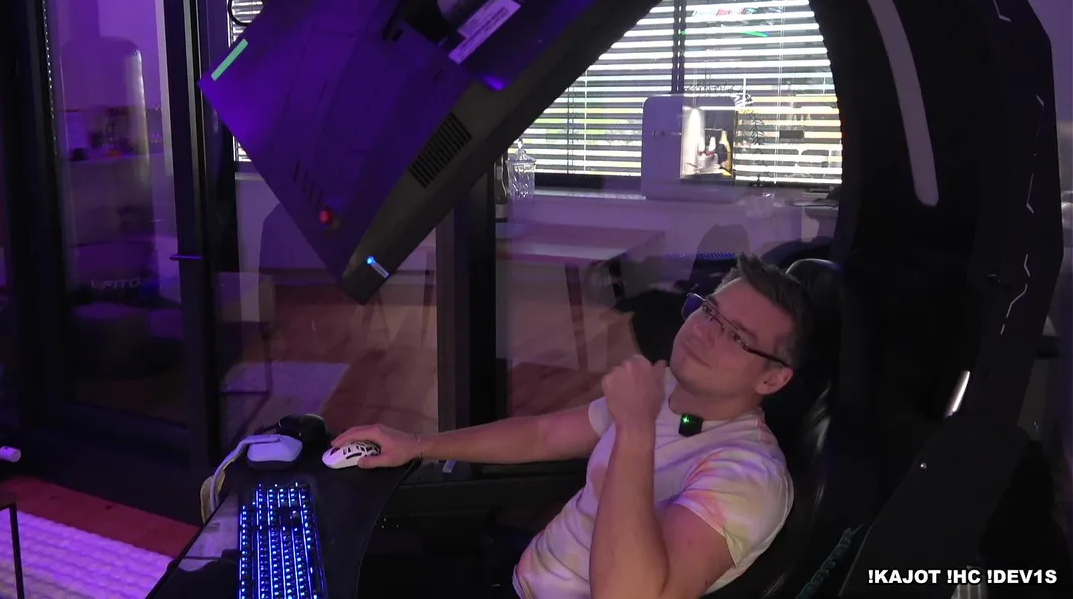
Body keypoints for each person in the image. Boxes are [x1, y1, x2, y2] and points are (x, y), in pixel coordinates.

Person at [334, 253, 814, 599]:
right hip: (518, 575)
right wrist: (415, 445)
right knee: (334, 571)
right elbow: (542, 435)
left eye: (736, 337)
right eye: (710, 311)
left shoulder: (748, 478)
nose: (705, 333)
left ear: (773, 378)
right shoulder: (664, 390)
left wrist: (636, 429)